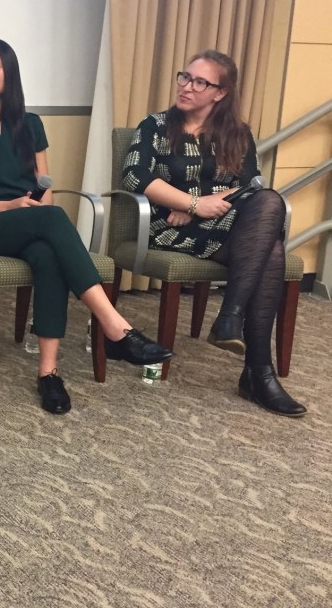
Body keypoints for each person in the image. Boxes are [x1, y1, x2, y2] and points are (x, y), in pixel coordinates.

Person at [0, 38, 173, 414]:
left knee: (48, 253)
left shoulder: (30, 125)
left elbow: (44, 188)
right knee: (51, 218)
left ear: (10, 74)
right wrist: (8, 206)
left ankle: (48, 373)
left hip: (26, 224)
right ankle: (112, 324)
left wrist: (30, 208)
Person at [122, 50, 305, 417]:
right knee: (271, 249)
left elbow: (249, 188)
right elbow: (134, 177)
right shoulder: (155, 126)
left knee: (267, 204)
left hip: (221, 223)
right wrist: (193, 206)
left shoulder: (237, 134)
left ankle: (235, 325)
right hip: (166, 228)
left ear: (220, 93)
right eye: (184, 77)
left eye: (199, 82)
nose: (187, 87)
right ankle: (255, 367)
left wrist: (197, 204)